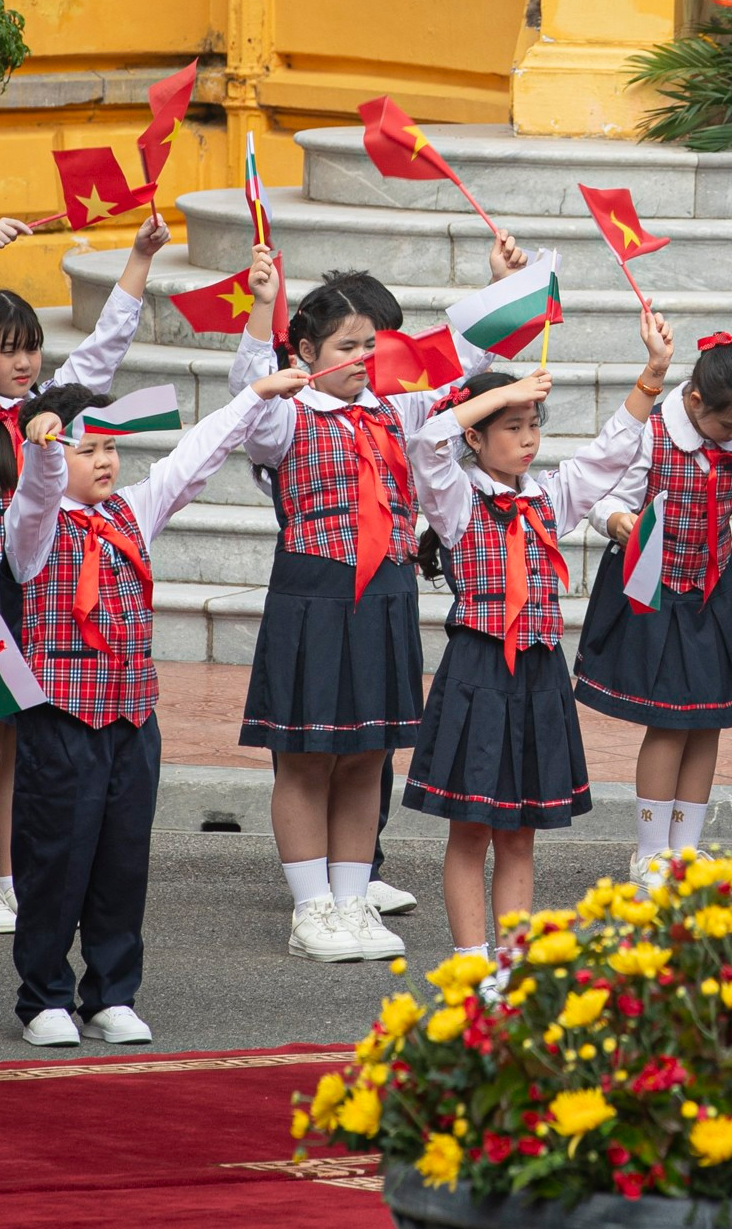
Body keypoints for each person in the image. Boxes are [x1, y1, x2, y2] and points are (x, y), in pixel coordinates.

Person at [5, 366, 309, 1046]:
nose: (105, 461)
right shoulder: (34, 525)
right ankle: (44, 995)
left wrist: (253, 397)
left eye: (110, 448)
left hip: (134, 716)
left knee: (122, 859)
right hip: (62, 718)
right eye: (90, 451)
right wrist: (48, 447)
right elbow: (39, 486)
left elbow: (194, 458)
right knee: (56, 856)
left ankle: (112, 992)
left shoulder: (132, 510)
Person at [229, 239, 499, 963]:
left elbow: (461, 373)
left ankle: (351, 899)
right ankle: (311, 907)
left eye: (368, 347)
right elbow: (247, 407)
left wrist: (507, 286)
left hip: (386, 594)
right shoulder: (287, 418)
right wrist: (261, 309)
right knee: (306, 758)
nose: (360, 360)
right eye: (345, 348)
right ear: (308, 351)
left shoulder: (394, 411)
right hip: (313, 597)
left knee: (367, 754)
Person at [0, 212, 165, 935]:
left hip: (43, 590)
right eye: (10, 351)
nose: (22, 363)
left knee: (25, 741)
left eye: (30, 348)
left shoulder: (47, 413)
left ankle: (13, 875)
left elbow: (102, 353)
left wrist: (138, 257)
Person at [408, 323, 669, 963]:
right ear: (476, 436)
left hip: (539, 672)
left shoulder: (550, 495)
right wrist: (499, 390)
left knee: (521, 833)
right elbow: (425, 442)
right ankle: (473, 964)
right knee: (471, 831)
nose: (528, 440)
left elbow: (609, 453)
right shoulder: (456, 498)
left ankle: (514, 964)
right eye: (512, 426)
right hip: (477, 668)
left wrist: (652, 376)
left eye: (534, 425)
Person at [575, 326, 732, 889]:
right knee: (668, 723)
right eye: (728, 424)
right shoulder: (654, 434)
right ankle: (650, 852)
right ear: (694, 401)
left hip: (713, 593)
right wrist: (619, 523)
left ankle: (685, 848)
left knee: (709, 721)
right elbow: (605, 497)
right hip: (653, 591)